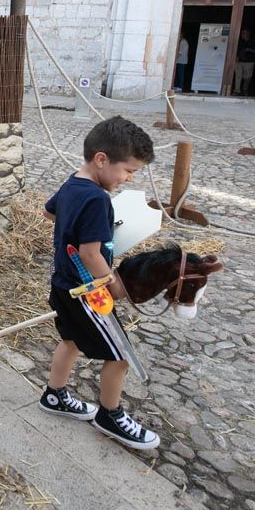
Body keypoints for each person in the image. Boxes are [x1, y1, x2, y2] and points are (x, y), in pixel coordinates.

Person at [37, 116, 160, 450]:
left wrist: (76, 228)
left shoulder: (73, 183)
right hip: (86, 292)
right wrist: (113, 285)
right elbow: (92, 254)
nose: (128, 178)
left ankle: (55, 396)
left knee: (71, 341)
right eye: (128, 170)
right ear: (102, 159)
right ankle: (110, 414)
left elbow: (50, 213)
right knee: (120, 355)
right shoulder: (97, 199)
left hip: (62, 284)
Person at [233, 28, 255, 96]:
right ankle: (237, 90)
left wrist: (249, 50)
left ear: (248, 34)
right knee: (238, 76)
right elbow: (233, 49)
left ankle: (245, 90)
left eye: (244, 33)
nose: (242, 34)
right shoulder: (239, 41)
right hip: (239, 61)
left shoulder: (253, 41)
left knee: (247, 77)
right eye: (242, 33)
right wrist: (235, 56)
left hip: (249, 62)